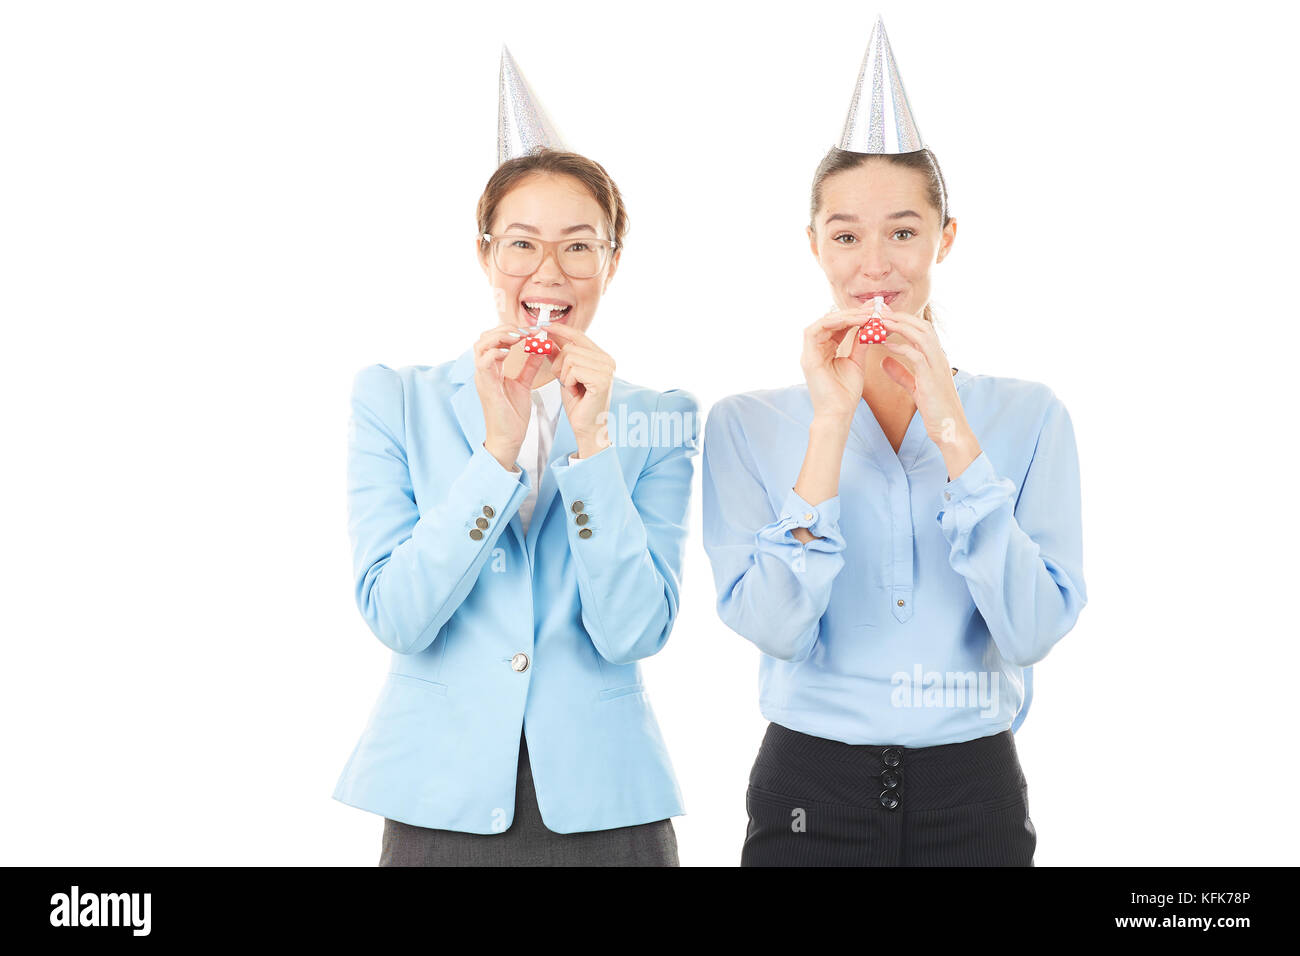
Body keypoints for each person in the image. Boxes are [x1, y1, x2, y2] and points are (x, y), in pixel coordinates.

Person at [700, 17, 1086, 866]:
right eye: (846, 235)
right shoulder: (743, 423)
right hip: (809, 787)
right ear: (815, 246)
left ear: (946, 238)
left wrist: (950, 425)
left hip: (974, 788)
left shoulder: (1031, 416)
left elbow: (1029, 631)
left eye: (904, 232)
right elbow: (775, 627)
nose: (874, 264)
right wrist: (830, 425)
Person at [332, 49, 698, 866]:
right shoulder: (395, 400)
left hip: (608, 808)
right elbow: (396, 614)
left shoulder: (660, 419)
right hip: (438, 802)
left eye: (579, 247)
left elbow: (635, 630)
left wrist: (594, 446)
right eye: (522, 244)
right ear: (485, 254)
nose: (548, 273)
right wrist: (498, 453)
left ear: (612, 261)